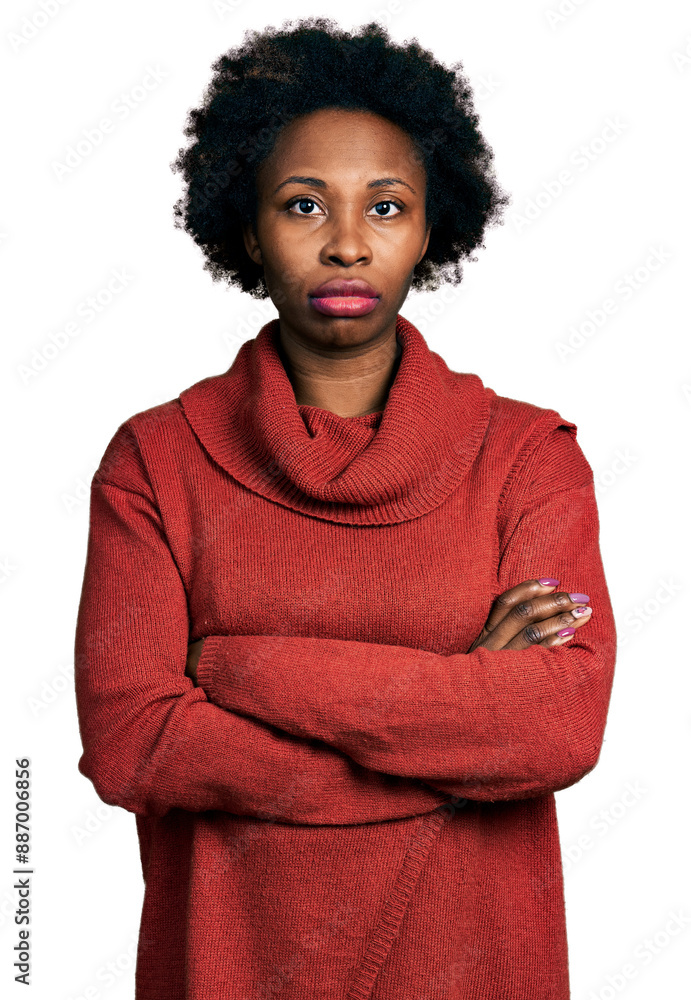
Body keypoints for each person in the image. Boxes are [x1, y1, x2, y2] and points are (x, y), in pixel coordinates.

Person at [74, 18, 617, 1000]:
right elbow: (131, 743)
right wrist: (456, 711)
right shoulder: (154, 460)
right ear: (245, 224)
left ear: (430, 226)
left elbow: (555, 729)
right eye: (302, 204)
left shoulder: (527, 458)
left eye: (387, 205)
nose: (348, 242)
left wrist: (240, 665)